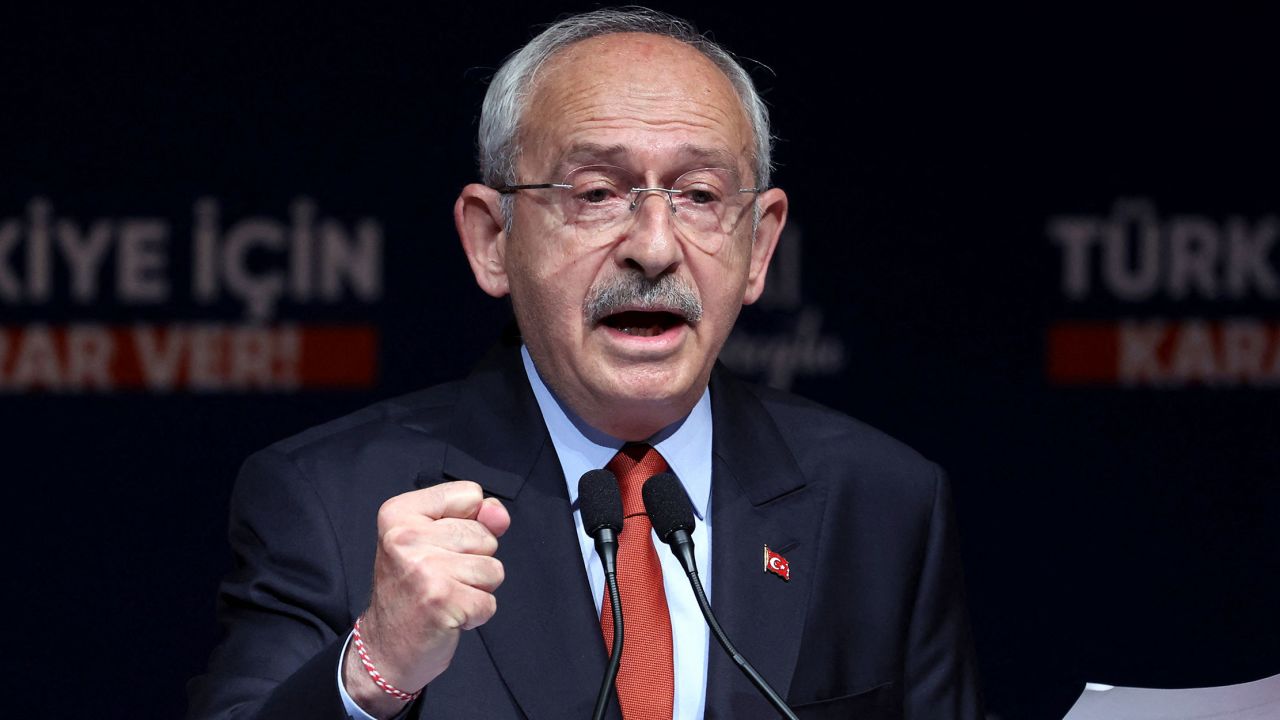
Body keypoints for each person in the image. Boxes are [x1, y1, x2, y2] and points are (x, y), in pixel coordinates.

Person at [188, 8, 983, 719]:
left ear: (760, 245)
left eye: (700, 195)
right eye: (597, 192)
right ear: (491, 239)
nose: (654, 246)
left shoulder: (883, 502)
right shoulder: (332, 501)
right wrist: (375, 672)